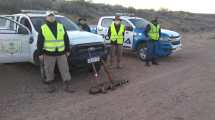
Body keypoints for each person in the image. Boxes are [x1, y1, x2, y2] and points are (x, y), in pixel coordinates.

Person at [37, 12, 74, 93]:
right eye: (49, 16)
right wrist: (40, 53)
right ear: (46, 18)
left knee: (65, 69)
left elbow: (66, 39)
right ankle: (50, 85)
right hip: (48, 53)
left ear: (54, 17)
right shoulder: (43, 28)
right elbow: (40, 41)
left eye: (52, 16)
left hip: (61, 53)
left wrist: (67, 50)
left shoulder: (61, 26)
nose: (51, 17)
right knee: (49, 70)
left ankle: (67, 85)